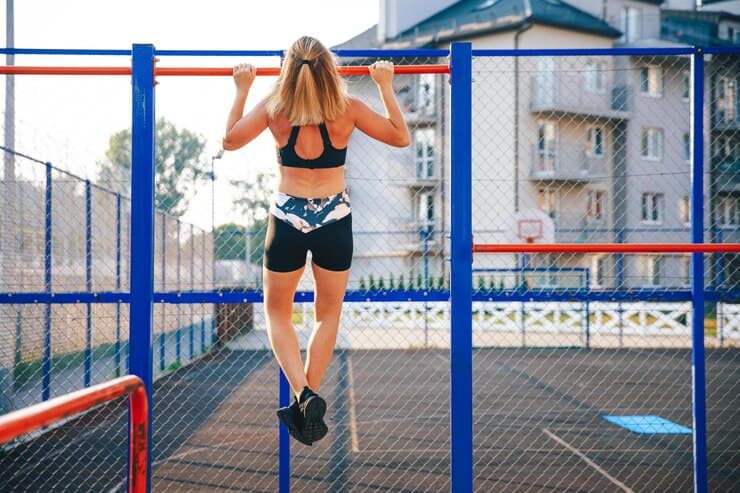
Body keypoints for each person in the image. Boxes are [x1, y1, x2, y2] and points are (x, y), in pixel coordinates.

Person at [222, 36, 410, 446]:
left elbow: (231, 140)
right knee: (327, 315)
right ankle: (305, 400)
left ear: (289, 71)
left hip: (288, 216)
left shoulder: (276, 109)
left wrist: (242, 90)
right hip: (334, 218)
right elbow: (400, 136)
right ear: (329, 70)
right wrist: (384, 86)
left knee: (277, 314)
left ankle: (304, 395)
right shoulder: (347, 109)